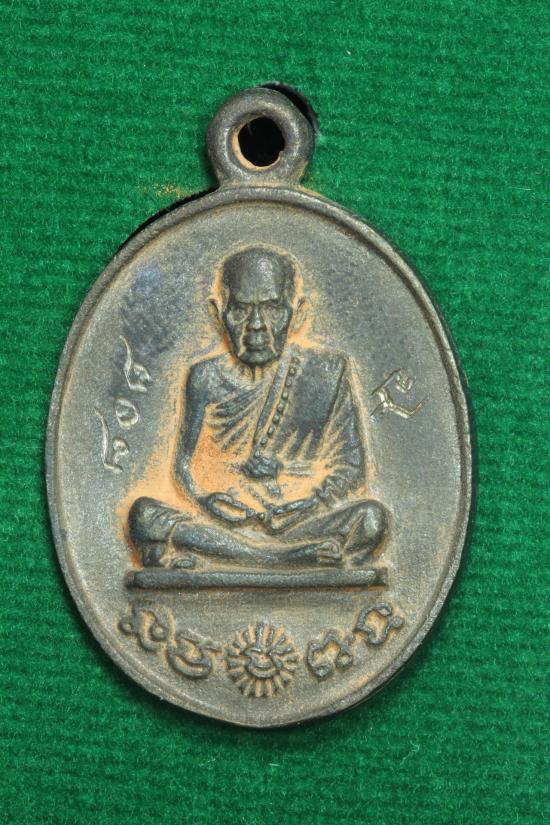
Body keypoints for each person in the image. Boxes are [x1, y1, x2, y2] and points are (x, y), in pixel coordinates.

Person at [129, 245, 388, 569]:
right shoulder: (205, 377)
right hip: (224, 523)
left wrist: (305, 503)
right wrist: (205, 500)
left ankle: (250, 556)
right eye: (240, 309)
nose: (256, 325)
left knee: (372, 519)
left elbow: (351, 469)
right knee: (144, 514)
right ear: (218, 313)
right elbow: (184, 466)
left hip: (297, 522)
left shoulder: (326, 373)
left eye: (272, 309)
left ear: (298, 314)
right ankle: (283, 558)